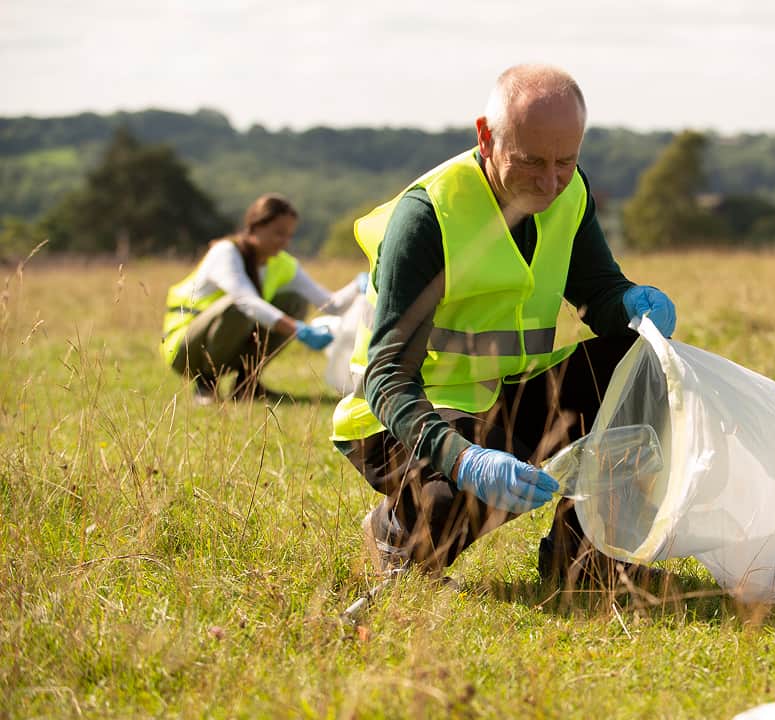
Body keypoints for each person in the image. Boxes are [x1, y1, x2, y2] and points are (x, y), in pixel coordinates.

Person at [330, 64, 678, 590]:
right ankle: (395, 532)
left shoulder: (568, 194)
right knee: (450, 508)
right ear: (486, 137)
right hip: (406, 420)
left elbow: (598, 293)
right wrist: (462, 459)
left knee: (641, 359)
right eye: (532, 161)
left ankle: (585, 557)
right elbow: (387, 380)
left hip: (502, 401)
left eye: (566, 161)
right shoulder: (426, 218)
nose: (550, 181)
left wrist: (630, 302)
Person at [162, 193, 367, 404]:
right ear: (255, 226)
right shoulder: (225, 252)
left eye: (289, 235)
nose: (284, 242)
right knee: (239, 306)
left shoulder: (282, 264)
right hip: (186, 350)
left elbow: (329, 304)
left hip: (228, 347)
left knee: (294, 301)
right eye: (278, 233)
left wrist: (358, 287)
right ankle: (206, 385)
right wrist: (298, 329)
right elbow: (246, 301)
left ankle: (246, 386)